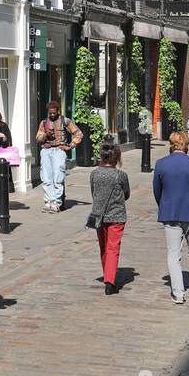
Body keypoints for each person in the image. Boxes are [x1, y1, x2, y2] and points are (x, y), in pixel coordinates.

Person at [152, 131, 189, 304]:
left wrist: (164, 204)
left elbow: (157, 190)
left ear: (171, 144)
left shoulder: (161, 164)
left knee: (173, 254)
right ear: (186, 145)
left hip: (170, 213)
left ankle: (178, 293)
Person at [90, 139, 130, 295]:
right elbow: (126, 194)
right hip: (117, 215)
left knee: (104, 247)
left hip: (98, 215)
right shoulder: (121, 175)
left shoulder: (94, 174)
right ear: (116, 158)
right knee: (113, 248)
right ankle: (109, 281)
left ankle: (108, 274)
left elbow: (94, 193)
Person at [35, 100, 82, 213]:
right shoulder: (43, 122)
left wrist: (70, 146)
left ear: (58, 111)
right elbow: (38, 138)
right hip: (46, 151)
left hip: (59, 150)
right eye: (50, 113)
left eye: (54, 113)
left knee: (58, 177)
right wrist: (46, 135)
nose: (51, 115)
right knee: (46, 178)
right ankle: (48, 202)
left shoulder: (65, 121)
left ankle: (56, 203)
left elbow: (78, 133)